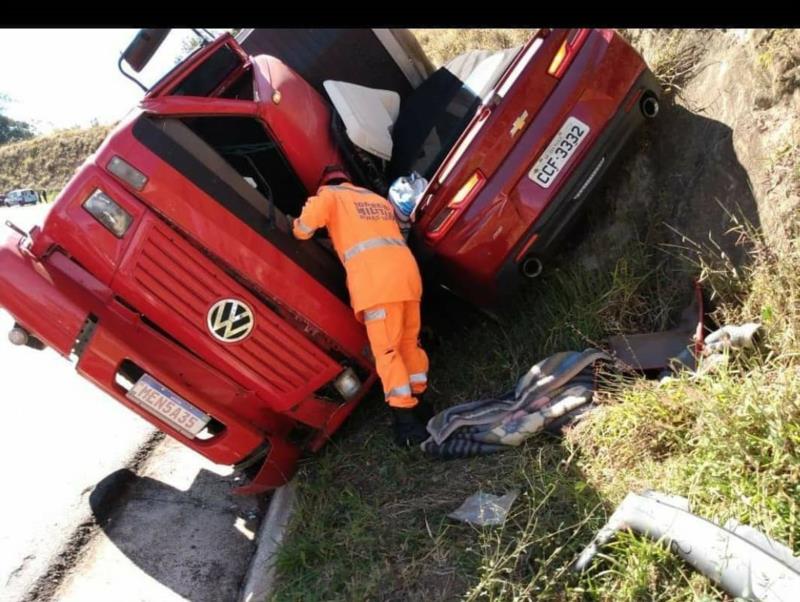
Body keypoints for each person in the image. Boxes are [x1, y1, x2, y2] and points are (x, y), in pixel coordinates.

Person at [292, 169, 432, 447]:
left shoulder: (329, 196)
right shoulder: (376, 200)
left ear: (325, 184)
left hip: (376, 284)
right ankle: (422, 406)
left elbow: (304, 229)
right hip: (407, 276)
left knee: (388, 351)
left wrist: (296, 226)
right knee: (408, 343)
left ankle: (406, 422)